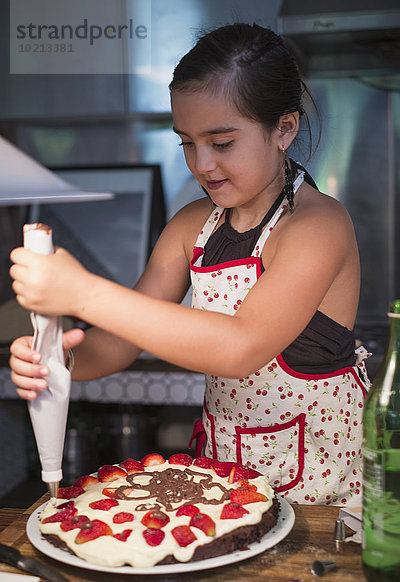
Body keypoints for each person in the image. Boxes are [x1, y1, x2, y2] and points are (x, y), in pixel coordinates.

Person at [9, 23, 370, 505]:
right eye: (187, 142)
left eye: (221, 143)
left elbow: (239, 349)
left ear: (284, 129)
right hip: (225, 485)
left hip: (318, 497)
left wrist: (83, 292)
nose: (202, 164)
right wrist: (58, 360)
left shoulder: (317, 226)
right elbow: (117, 343)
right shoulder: (191, 226)